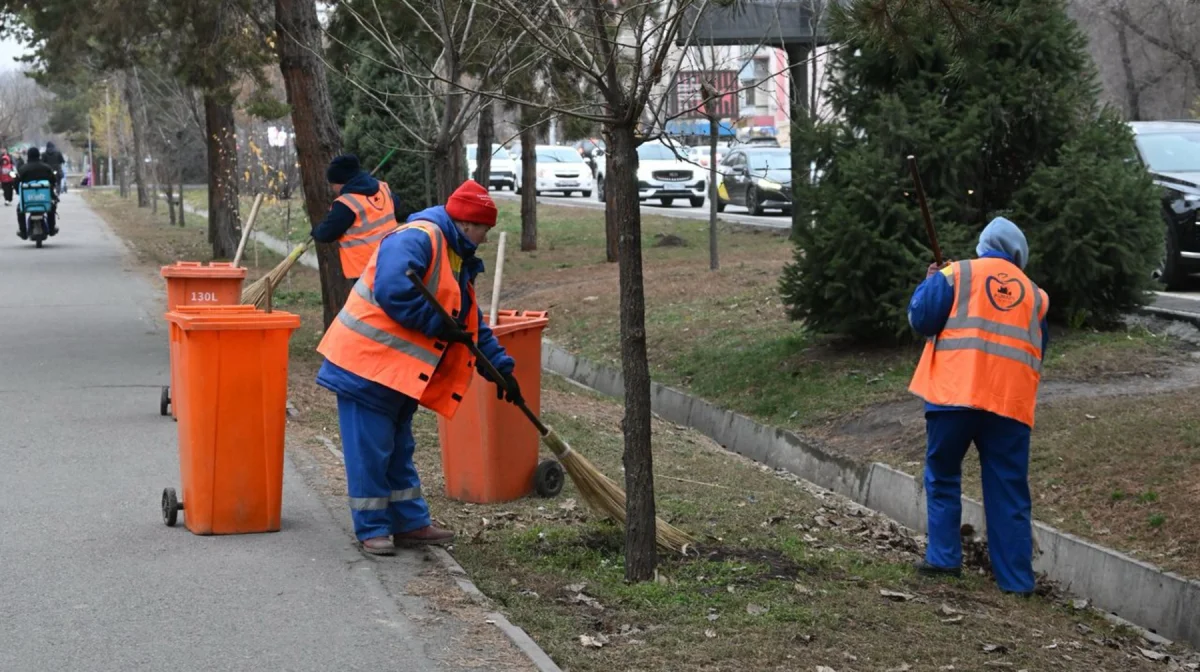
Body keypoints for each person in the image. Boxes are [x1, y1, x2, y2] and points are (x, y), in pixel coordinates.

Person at [315, 180, 523, 555]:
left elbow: (470, 321)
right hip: (365, 367)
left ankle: (410, 523)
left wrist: (502, 369)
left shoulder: (456, 254)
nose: (486, 239)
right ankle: (372, 528)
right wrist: (437, 323)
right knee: (371, 451)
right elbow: (393, 290)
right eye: (484, 230)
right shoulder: (417, 238)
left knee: (398, 449)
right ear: (467, 223)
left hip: (398, 374)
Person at [906, 216, 1049, 597]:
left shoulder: (955, 274)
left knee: (943, 473)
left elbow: (922, 319)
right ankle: (1017, 582)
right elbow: (1039, 348)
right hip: (1009, 405)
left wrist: (929, 281)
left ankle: (944, 559)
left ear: (983, 244)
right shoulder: (1035, 295)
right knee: (1008, 491)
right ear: (1019, 256)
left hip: (954, 396)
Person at [311, 154, 398, 282]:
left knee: (369, 302)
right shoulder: (382, 188)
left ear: (341, 182)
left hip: (367, 270)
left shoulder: (346, 204)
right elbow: (396, 204)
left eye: (332, 184)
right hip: (393, 257)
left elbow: (326, 234)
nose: (332, 188)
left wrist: (315, 232)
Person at [16, 147, 59, 239]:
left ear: (28, 156)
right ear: (38, 155)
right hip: (44, 198)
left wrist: (18, 192)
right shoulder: (46, 167)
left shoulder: (23, 169)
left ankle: (23, 231)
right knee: (52, 207)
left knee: (20, 210)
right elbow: (53, 181)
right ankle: (51, 229)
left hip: (28, 199)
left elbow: (17, 182)